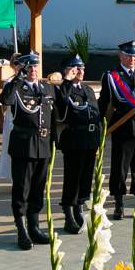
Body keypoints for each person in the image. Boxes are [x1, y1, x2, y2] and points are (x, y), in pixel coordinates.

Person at [0, 52, 56, 250]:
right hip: (24, 144)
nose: (33, 70)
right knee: (21, 189)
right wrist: (17, 78)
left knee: (38, 189)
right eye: (29, 67)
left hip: (43, 144)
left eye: (36, 67)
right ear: (24, 69)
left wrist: (54, 141)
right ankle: (21, 229)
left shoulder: (47, 87)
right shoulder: (16, 88)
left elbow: (54, 117)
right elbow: (4, 100)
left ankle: (34, 227)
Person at [99, 41, 135, 221]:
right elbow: (104, 102)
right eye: (128, 55)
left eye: (134, 55)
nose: (132, 59)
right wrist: (102, 125)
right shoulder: (111, 76)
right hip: (123, 128)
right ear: (121, 56)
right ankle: (119, 204)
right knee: (120, 168)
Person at [54, 55, 101, 234]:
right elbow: (62, 105)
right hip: (74, 138)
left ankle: (79, 207)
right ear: (68, 70)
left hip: (89, 138)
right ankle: (68, 212)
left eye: (82, 68)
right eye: (76, 68)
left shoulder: (87, 89)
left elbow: (95, 113)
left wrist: (97, 140)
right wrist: (65, 80)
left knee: (85, 177)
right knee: (72, 178)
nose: (81, 71)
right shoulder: (63, 89)